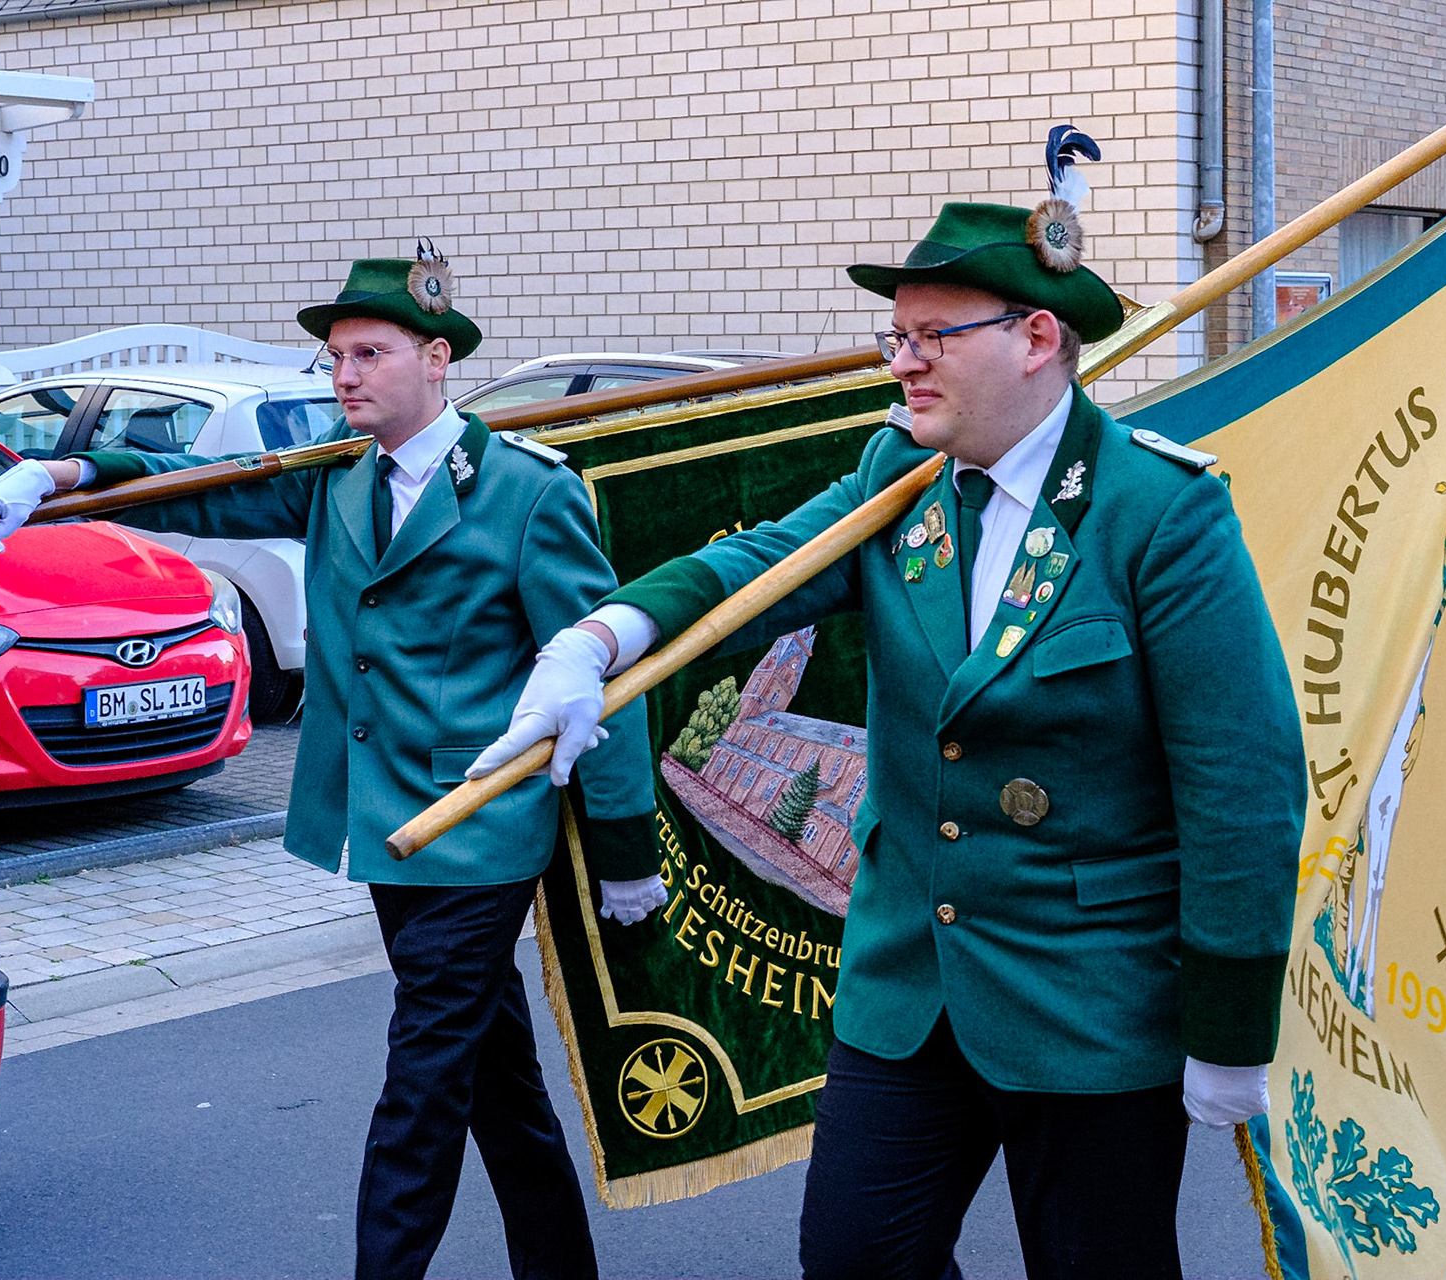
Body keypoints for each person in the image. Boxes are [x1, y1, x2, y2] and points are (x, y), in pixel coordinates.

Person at [476, 145, 1306, 1278]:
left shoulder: (1157, 512)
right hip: (912, 980)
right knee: (855, 1258)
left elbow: (1242, 783)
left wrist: (1230, 1022)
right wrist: (597, 639)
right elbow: (757, 567)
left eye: (930, 337)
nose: (902, 363)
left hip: (1091, 996)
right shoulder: (898, 477)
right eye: (895, 337)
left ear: (1036, 338)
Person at [0, 245, 667, 1280]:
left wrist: (625, 845)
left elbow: (603, 669)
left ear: (437, 358)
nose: (344, 374)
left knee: (421, 1088)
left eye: (369, 353)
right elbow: (192, 492)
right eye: (335, 357)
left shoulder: (526, 491)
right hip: (381, 824)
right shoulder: (337, 476)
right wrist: (58, 476)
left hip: (481, 828)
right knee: (495, 1081)